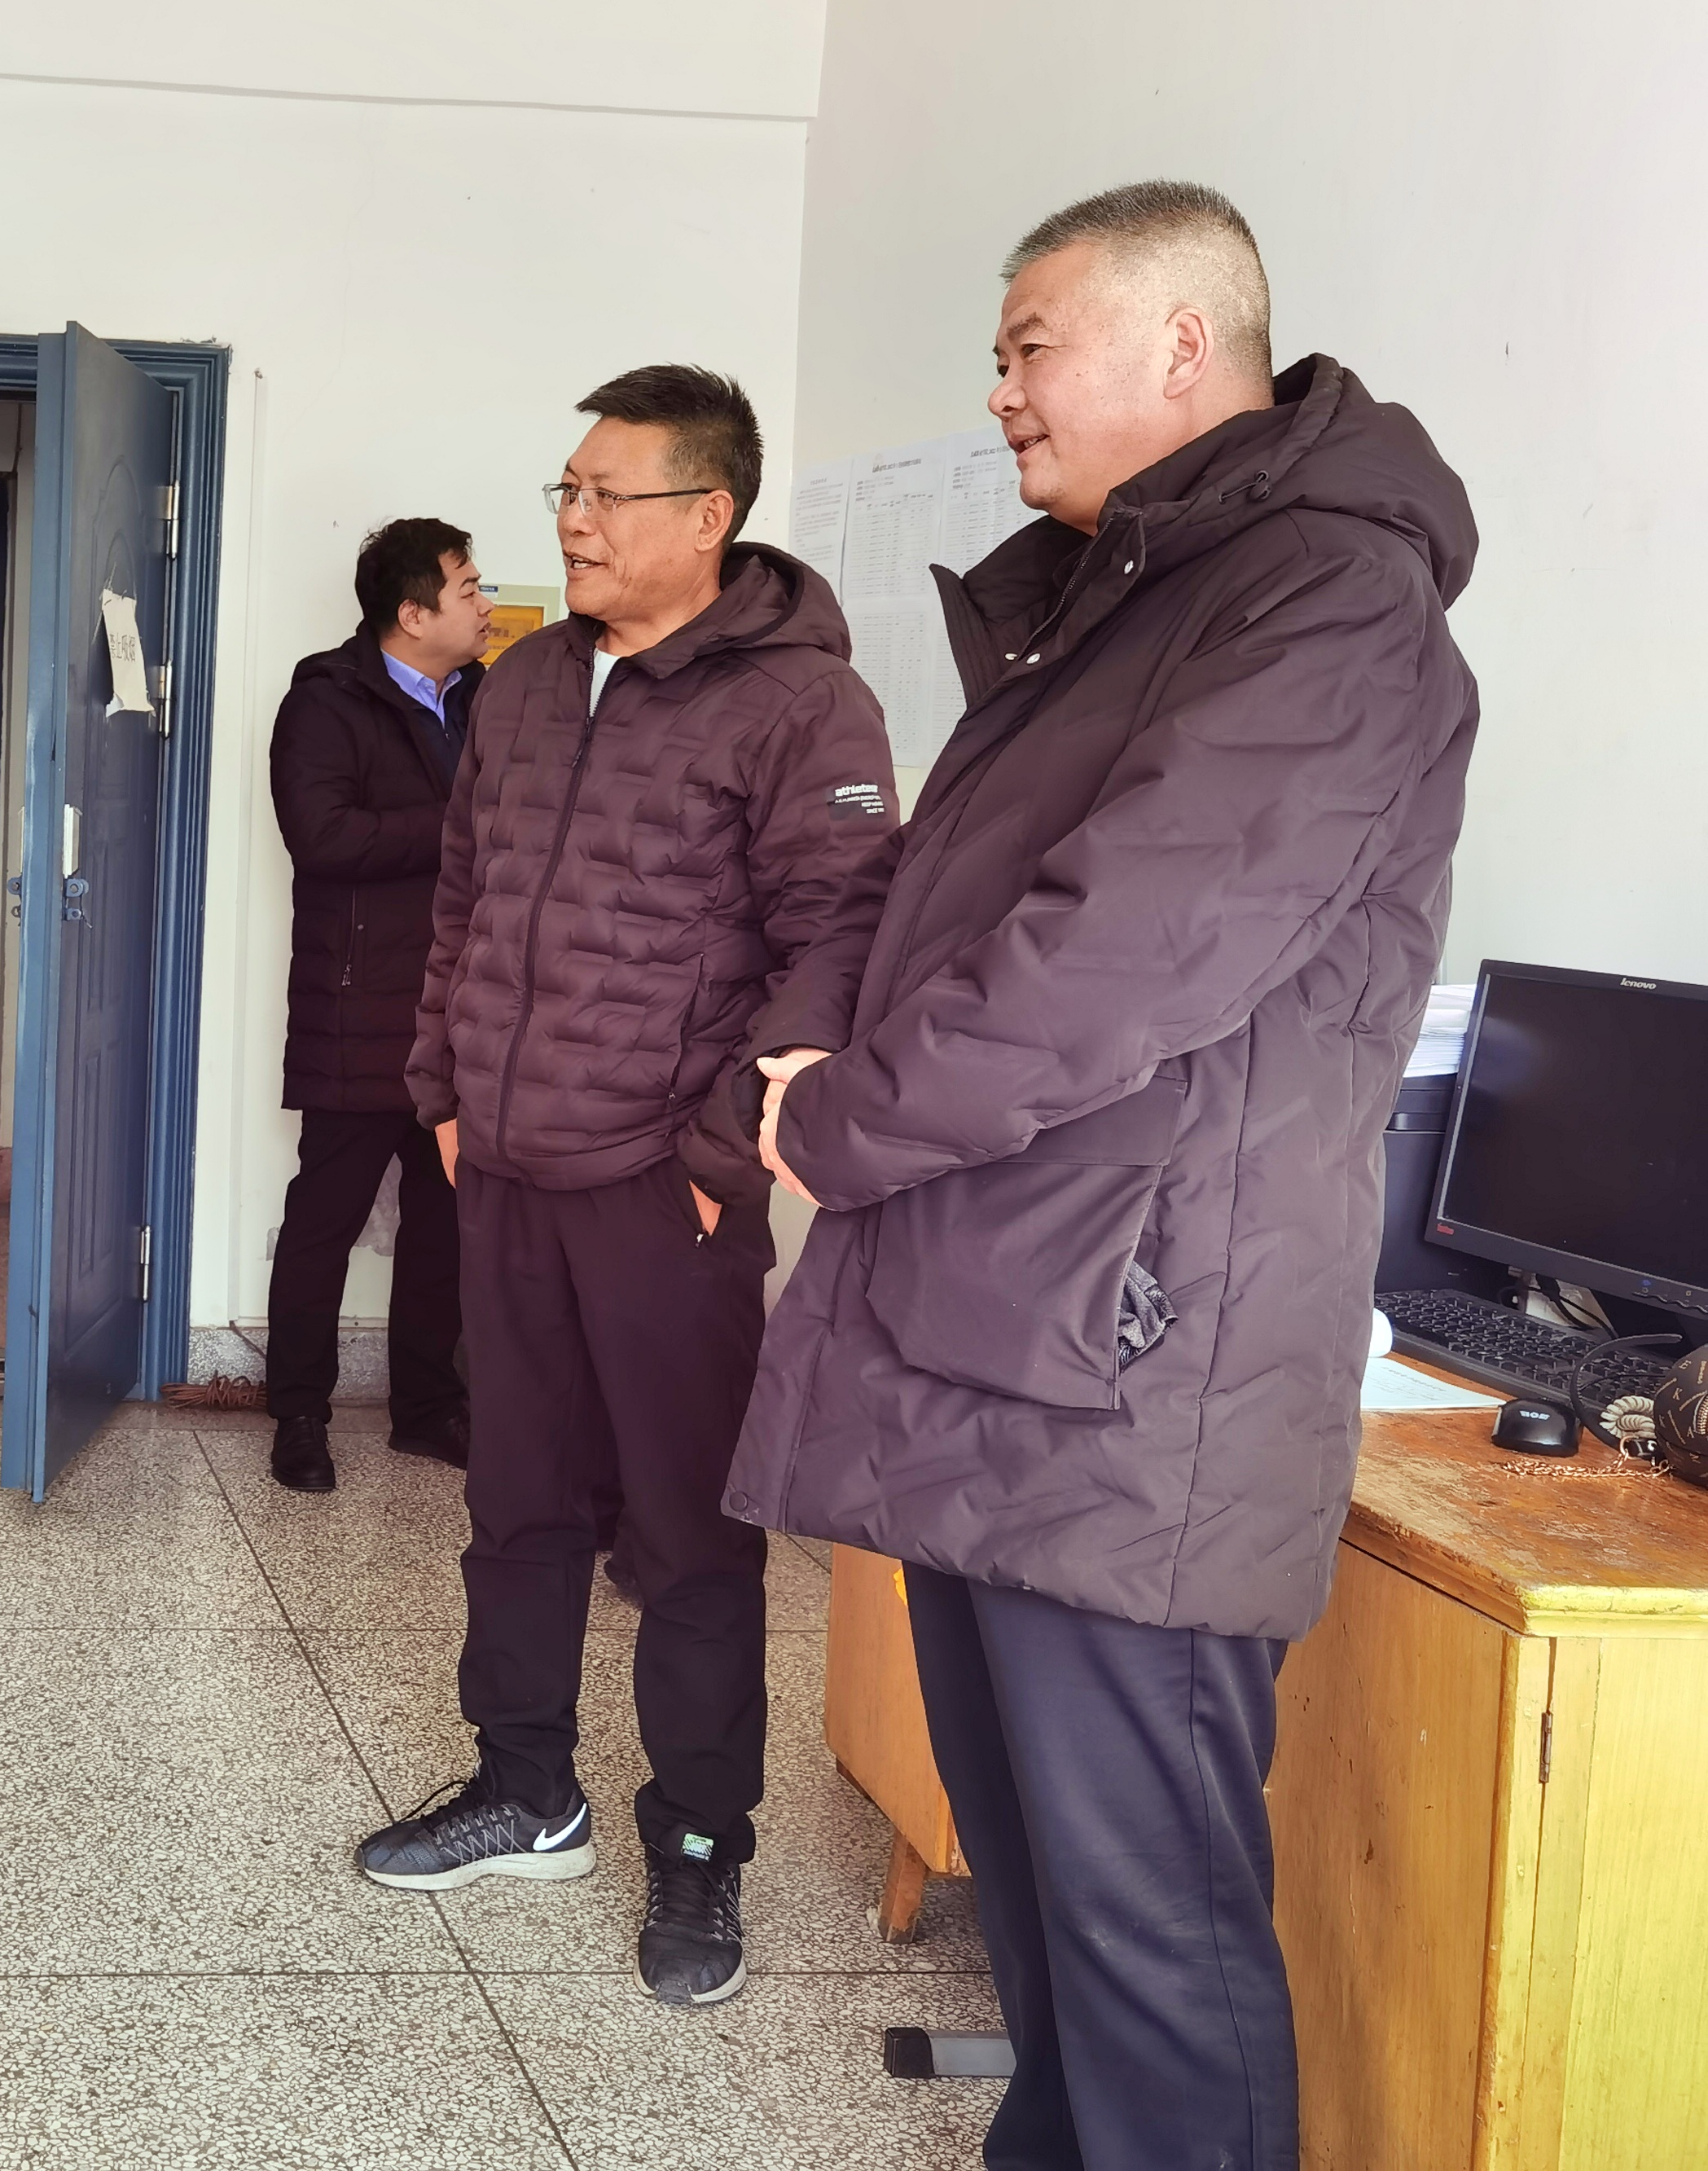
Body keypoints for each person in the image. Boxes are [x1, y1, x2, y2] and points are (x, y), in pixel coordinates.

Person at [728, 182, 1478, 2169]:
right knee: (1048, 1923)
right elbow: (933, 904)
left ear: (1177, 342)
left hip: (1137, 1363)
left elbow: (1107, 959)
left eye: (1026, 346)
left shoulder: (1324, 604)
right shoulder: (1124, 598)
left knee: (1150, 1948)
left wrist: (840, 1119)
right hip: (1016, 1332)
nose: (997, 392)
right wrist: (809, 1053)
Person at [355, 365, 897, 2010]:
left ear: (707, 515)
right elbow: (464, 902)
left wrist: (722, 1155)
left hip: (667, 1184)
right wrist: (444, 1095)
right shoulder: (524, 683)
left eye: (607, 495)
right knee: (513, 1502)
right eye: (567, 492)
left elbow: (837, 944)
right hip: (508, 1166)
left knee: (683, 1534)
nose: (574, 521)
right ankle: (525, 1787)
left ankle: (699, 1839)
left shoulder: (800, 706)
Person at [260, 516, 491, 1492]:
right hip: (357, 1009)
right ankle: (298, 1414)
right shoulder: (327, 700)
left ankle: (427, 1410)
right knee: (324, 1223)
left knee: (444, 1227)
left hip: (459, 1011)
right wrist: (465, 823)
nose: (484, 604)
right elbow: (323, 837)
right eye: (468, 588)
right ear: (413, 614)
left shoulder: (482, 699)